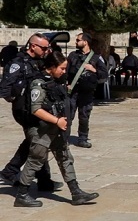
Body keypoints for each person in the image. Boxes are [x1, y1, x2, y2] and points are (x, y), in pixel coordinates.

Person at [14, 51, 99, 207]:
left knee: (65, 157)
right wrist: (57, 121)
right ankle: (22, 195)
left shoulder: (55, 81)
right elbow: (36, 109)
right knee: (36, 160)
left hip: (55, 129)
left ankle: (76, 192)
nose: (64, 71)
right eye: (61, 68)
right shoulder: (38, 83)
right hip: (41, 130)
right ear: (51, 67)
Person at [0, 33, 61, 190]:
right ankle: (13, 172)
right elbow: (5, 89)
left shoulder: (39, 61)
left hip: (35, 108)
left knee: (36, 142)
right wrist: (18, 100)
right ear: (33, 46)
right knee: (38, 141)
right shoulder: (18, 63)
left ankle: (42, 180)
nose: (46, 51)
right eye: (44, 48)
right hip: (24, 111)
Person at [67, 33, 108, 149]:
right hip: (73, 91)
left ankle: (83, 139)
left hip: (87, 92)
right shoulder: (73, 55)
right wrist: (66, 84)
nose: (76, 42)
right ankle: (63, 139)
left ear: (85, 42)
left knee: (84, 116)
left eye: (78, 40)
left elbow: (104, 74)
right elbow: (65, 71)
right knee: (68, 115)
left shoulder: (96, 57)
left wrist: (93, 69)